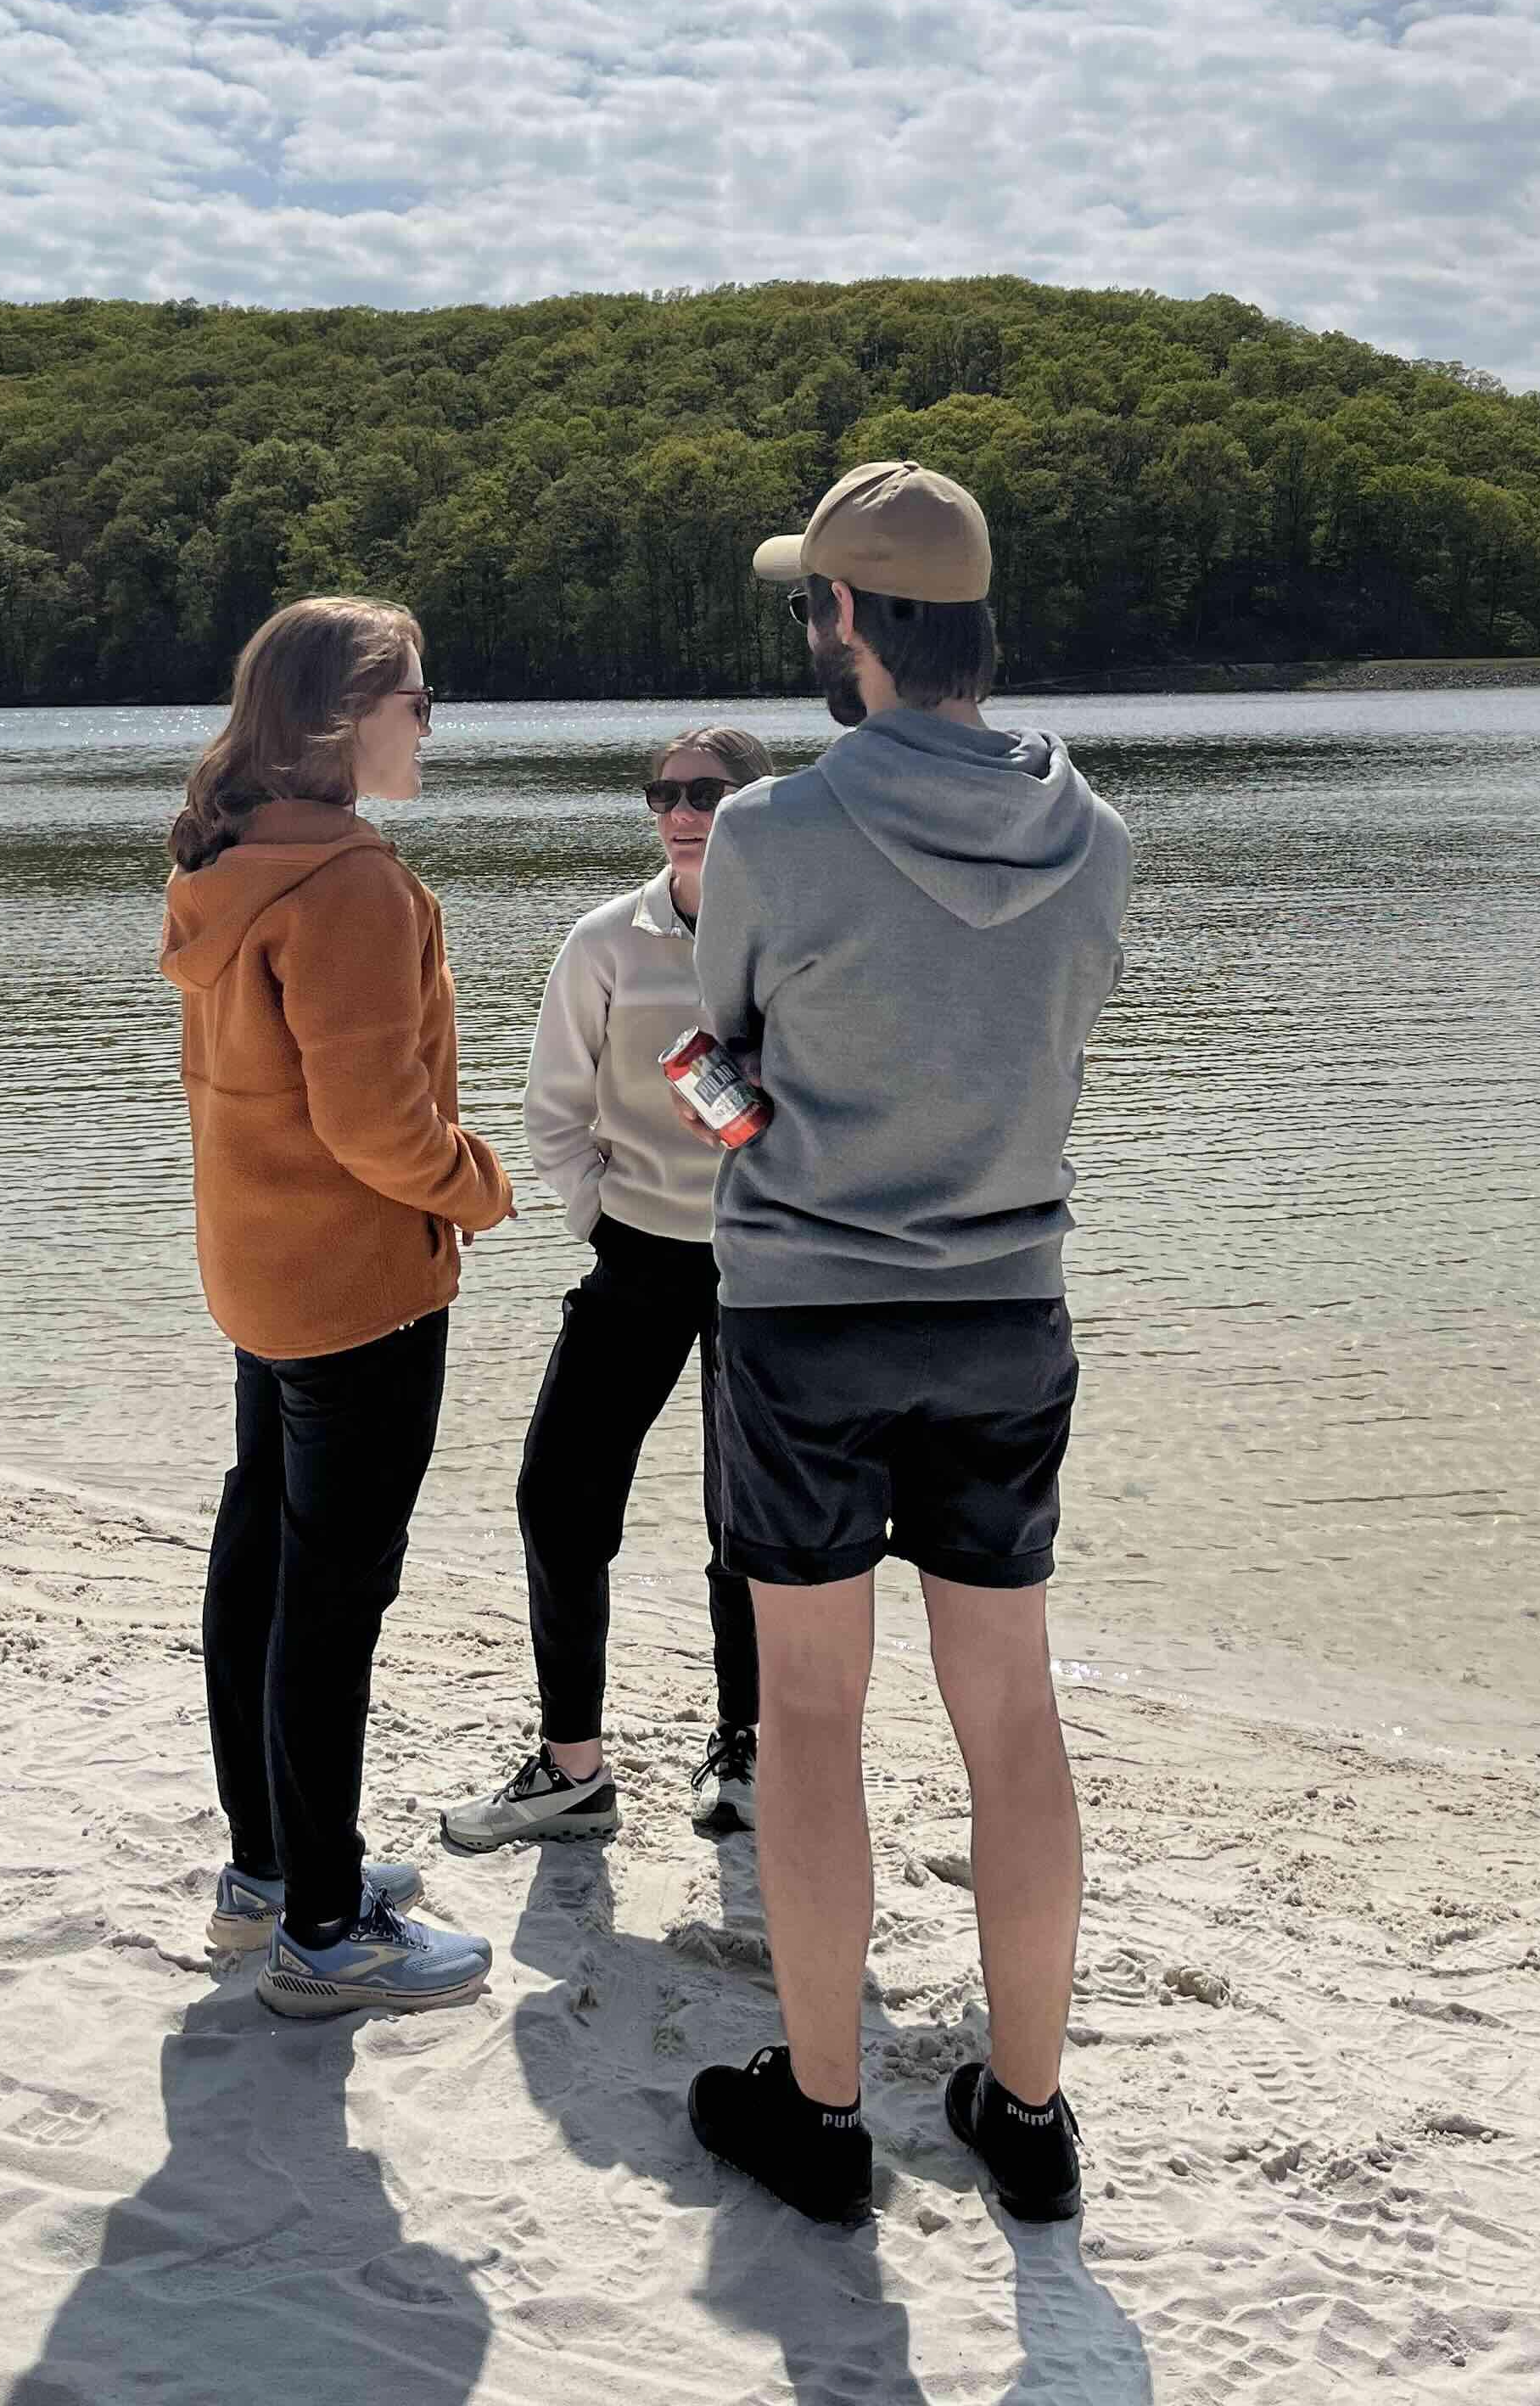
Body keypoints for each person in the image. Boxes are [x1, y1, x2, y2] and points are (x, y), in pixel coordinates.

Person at [679, 461, 1131, 2227]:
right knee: (1009, 1713)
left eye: (815, 603)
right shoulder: (1100, 835)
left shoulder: (773, 834)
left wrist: (751, 1120)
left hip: (807, 1317)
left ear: (852, 621)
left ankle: (822, 2115)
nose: (811, 629)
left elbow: (715, 1073)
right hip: (1009, 1310)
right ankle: (1027, 2114)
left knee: (811, 1714)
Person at [161, 595, 515, 2021]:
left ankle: (267, 1869)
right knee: (331, 1599)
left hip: (258, 1268)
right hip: (357, 1283)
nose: (429, 722)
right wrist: (479, 1190)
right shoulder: (350, 886)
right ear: (337, 718)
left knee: (263, 1553)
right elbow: (379, 1127)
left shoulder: (231, 860)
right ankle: (320, 1923)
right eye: (415, 698)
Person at [440, 727, 774, 1858]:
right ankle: (575, 1771)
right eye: (663, 793)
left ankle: (746, 1748)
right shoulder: (605, 942)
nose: (681, 811)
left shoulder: (792, 936)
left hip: (765, 1267)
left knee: (751, 1520)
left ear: (755, 804)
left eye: (707, 792)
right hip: (635, 1254)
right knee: (557, 1499)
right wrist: (598, 1217)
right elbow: (552, 1110)